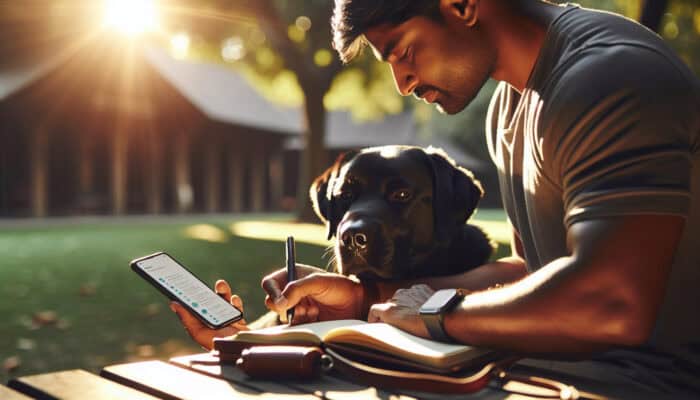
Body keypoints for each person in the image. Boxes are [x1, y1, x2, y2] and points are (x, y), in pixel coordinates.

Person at [171, 0, 700, 395]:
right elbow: (524, 271)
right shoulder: (507, 110)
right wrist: (371, 299)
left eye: (403, 51)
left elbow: (611, 304)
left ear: (464, 5)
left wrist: (434, 318)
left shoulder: (608, 76)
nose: (400, 82)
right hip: (548, 369)